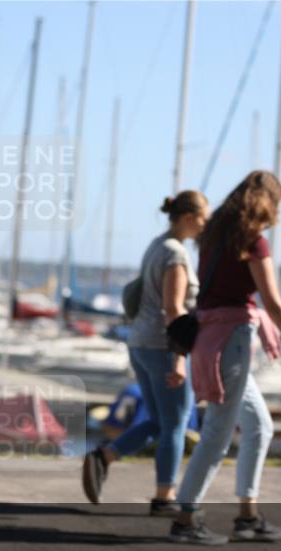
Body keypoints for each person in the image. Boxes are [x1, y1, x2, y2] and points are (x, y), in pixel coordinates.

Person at [168, 170, 281, 546]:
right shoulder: (253, 242)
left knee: (259, 426)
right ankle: (186, 518)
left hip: (211, 337)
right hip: (230, 341)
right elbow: (273, 302)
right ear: (267, 203)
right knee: (217, 435)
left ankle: (247, 516)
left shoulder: (214, 236)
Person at [82, 190, 209, 515]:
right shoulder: (176, 255)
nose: (206, 225)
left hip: (140, 341)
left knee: (157, 420)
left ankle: (105, 456)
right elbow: (173, 309)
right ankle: (164, 497)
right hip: (163, 346)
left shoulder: (157, 245)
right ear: (187, 218)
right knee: (176, 423)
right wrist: (180, 356)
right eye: (203, 218)